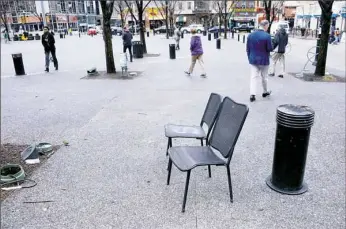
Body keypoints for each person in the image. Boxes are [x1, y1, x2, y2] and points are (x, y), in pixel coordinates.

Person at [246, 20, 273, 102]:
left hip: (253, 59)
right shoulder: (267, 36)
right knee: (264, 77)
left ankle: (252, 94)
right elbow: (270, 48)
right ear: (265, 26)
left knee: (253, 77)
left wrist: (249, 58)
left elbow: (248, 49)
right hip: (264, 60)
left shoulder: (250, 35)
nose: (267, 27)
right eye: (267, 26)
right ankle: (265, 91)